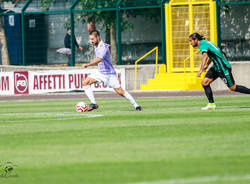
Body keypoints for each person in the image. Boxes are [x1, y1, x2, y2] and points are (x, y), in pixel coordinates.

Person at [82, 30, 143, 111]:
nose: (91, 41)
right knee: (85, 82)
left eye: (92, 39)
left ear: (98, 37)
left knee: (120, 92)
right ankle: (93, 104)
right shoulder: (97, 45)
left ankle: (136, 106)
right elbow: (108, 47)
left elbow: (99, 59)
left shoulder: (103, 46)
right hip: (100, 72)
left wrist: (88, 64)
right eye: (90, 39)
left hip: (109, 74)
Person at [189, 32, 250, 110]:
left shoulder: (202, 44)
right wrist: (207, 64)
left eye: (191, 41)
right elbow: (213, 55)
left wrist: (201, 70)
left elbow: (205, 56)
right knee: (204, 82)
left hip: (223, 67)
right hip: (216, 67)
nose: (190, 43)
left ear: (196, 39)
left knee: (233, 88)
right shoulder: (205, 43)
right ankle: (211, 104)